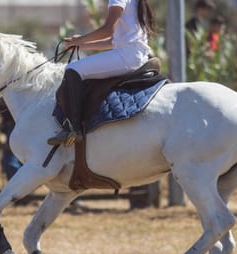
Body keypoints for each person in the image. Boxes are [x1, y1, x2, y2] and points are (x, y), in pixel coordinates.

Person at [47, 0, 156, 146]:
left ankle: (73, 129)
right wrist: (81, 44)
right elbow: (113, 41)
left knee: (72, 69)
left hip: (127, 55)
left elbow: (107, 30)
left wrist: (81, 39)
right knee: (76, 68)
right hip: (134, 54)